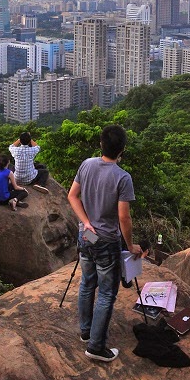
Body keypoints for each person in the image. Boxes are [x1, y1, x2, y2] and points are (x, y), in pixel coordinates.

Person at [67, 124, 143, 363]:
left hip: (87, 235)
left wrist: (86, 222)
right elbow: (123, 217)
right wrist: (130, 246)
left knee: (87, 283)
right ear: (122, 149)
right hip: (107, 241)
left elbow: (72, 196)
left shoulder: (87, 164)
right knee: (107, 293)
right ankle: (96, 346)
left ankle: (86, 330)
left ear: (101, 144)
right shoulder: (122, 177)